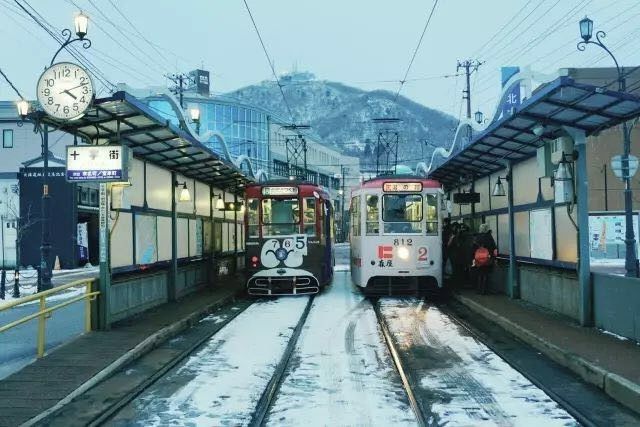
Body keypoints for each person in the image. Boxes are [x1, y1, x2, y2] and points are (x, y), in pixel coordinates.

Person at [472, 223, 497, 294]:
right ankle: (484, 290)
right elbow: (494, 247)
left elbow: (473, 248)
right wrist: (494, 258)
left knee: (480, 274)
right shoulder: (489, 237)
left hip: (478, 259)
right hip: (487, 258)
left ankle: (479, 290)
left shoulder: (477, 237)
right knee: (486, 274)